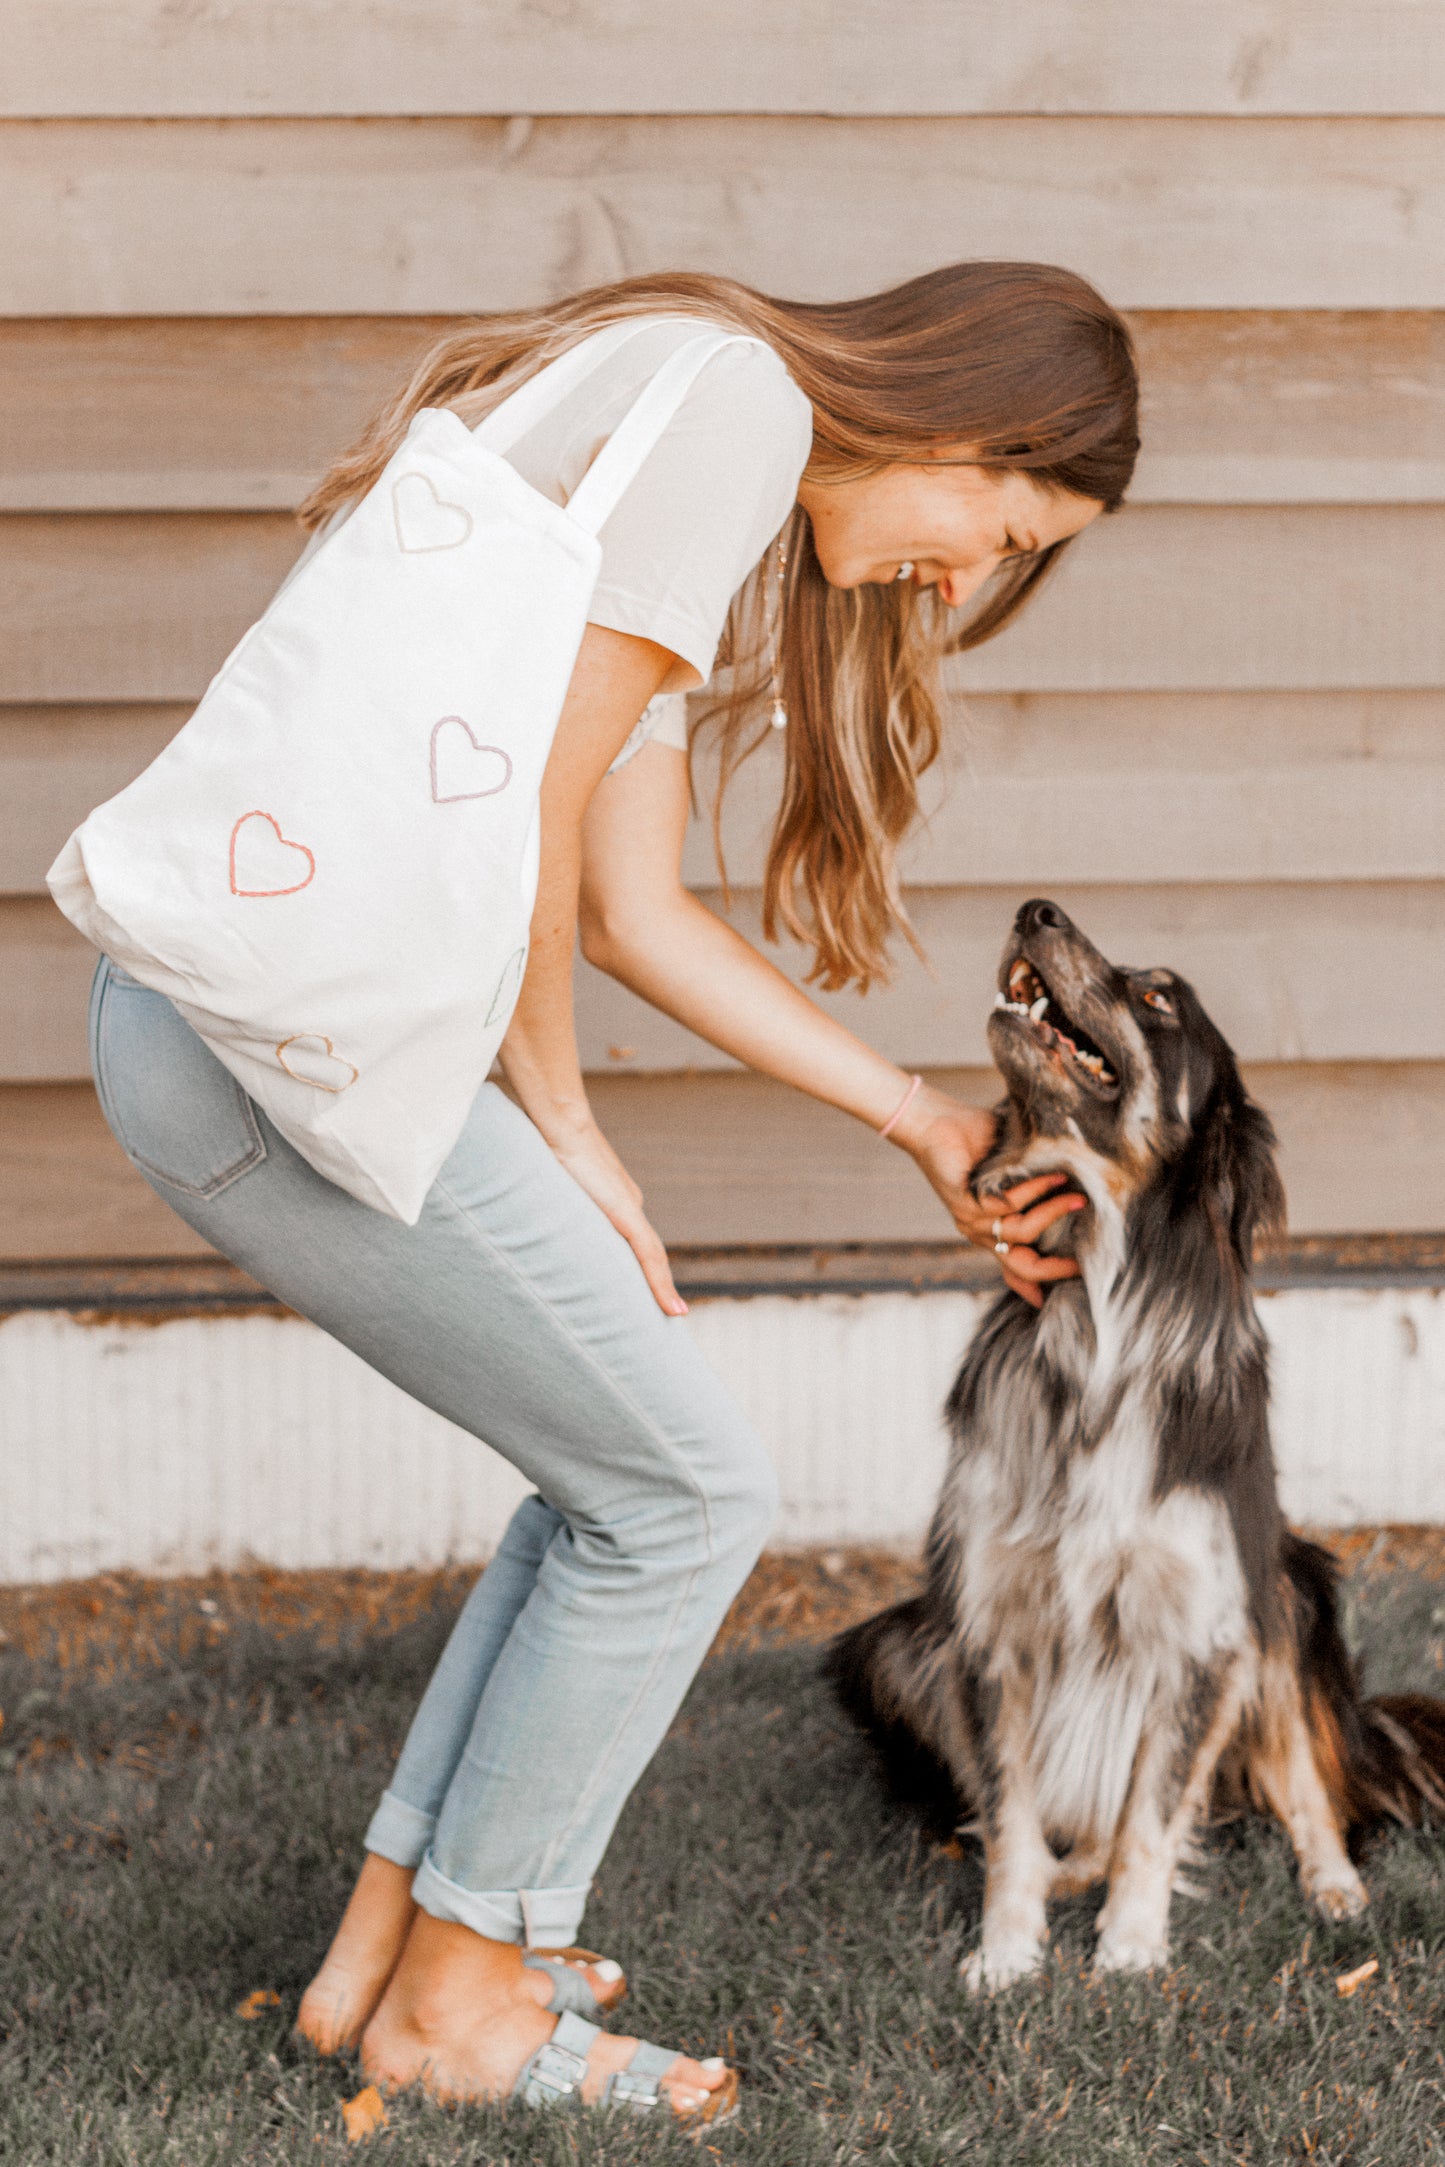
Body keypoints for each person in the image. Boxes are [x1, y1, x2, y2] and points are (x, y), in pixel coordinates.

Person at [87, 262, 1137, 2121]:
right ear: (957, 416)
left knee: (619, 1470)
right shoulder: (728, 404)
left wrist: (913, 1119)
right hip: (277, 1045)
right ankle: (461, 2009)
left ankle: (389, 1961)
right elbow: (531, 824)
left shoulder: (694, 447)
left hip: (251, 1025)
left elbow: (627, 900)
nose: (965, 581)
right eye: (998, 521)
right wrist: (561, 1119)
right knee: (680, 1491)